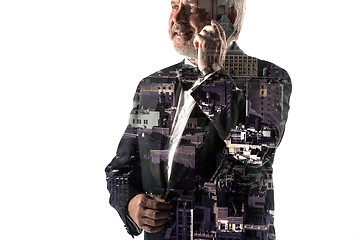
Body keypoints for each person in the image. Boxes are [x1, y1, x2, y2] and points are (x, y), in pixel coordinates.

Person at [105, 0, 291, 239]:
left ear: (229, 17)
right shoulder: (151, 85)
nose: (178, 17)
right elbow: (121, 167)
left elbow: (254, 151)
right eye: (174, 6)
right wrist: (131, 203)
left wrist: (212, 74)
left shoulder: (267, 77)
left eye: (191, 7)